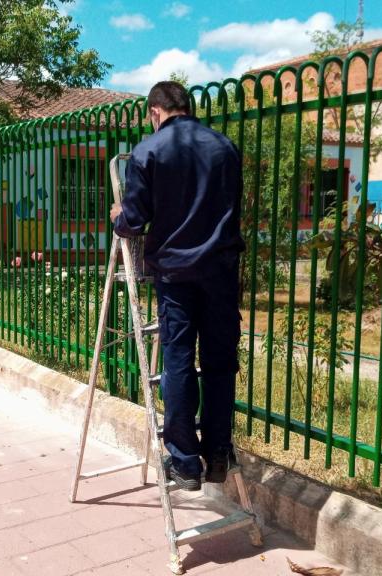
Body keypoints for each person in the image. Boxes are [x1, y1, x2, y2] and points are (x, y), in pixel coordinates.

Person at [110, 81, 245, 491]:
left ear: (155, 110)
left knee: (179, 361)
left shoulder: (149, 151)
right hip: (221, 270)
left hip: (176, 274)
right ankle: (218, 452)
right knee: (221, 362)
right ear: (186, 106)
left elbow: (134, 220)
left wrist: (118, 215)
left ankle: (186, 463)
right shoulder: (225, 147)